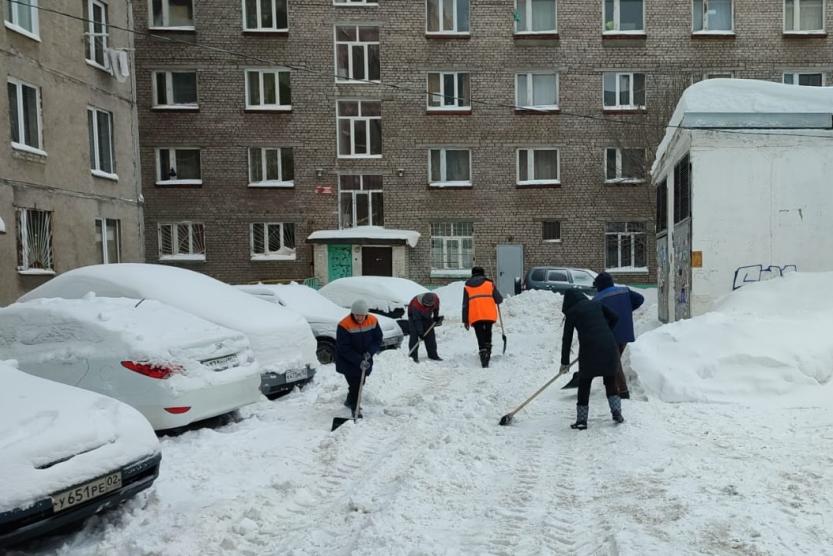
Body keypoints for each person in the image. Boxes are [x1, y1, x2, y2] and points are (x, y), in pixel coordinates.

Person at [560, 289, 623, 430]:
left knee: (584, 383)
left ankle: (582, 420)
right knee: (610, 380)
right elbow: (615, 317)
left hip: (589, 349)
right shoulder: (596, 304)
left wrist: (564, 362)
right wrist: (605, 331)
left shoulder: (572, 312)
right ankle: (617, 412)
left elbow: (567, 339)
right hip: (609, 345)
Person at [592, 272, 645, 399]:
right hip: (625, 330)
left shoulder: (598, 298)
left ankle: (623, 391)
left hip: (610, 333)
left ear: (599, 285)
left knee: (614, 362)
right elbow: (640, 299)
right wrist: (626, 309)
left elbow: (594, 318)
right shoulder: (624, 291)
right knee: (614, 360)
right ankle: (613, 384)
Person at [336, 299, 383, 418]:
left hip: (366, 358)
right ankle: (355, 409)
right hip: (348, 360)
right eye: (357, 315)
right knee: (356, 384)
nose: (359, 318)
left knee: (360, 383)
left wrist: (370, 352)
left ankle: (349, 401)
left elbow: (378, 339)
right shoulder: (344, 324)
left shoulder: (373, 320)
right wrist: (358, 359)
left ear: (366, 314)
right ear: (352, 313)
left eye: (362, 315)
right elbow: (343, 347)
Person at [462, 266, 503, 368]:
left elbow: (465, 305)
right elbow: (499, 299)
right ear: (483, 273)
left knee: (479, 333)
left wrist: (465, 320)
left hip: (475, 315)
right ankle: (488, 350)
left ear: (473, 274)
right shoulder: (489, 284)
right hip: (488, 313)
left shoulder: (467, 286)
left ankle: (483, 353)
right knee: (488, 331)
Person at [407, 292, 444, 362]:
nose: (428, 307)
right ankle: (413, 356)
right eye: (426, 306)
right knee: (414, 335)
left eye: (430, 306)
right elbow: (417, 320)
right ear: (423, 303)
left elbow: (436, 308)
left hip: (427, 316)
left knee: (430, 335)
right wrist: (421, 333)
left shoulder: (435, 299)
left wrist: (436, 316)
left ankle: (433, 355)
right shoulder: (416, 304)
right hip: (414, 317)